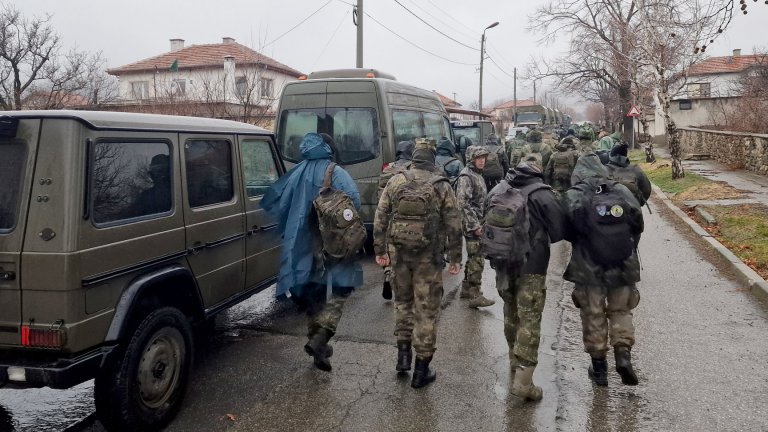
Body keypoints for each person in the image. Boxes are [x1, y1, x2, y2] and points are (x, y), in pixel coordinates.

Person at [262, 132, 363, 372]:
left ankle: (317, 345)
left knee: (313, 293)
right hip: (333, 243)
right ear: (329, 148)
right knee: (340, 289)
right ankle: (319, 341)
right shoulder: (335, 172)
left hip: (303, 243)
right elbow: (355, 202)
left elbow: (275, 202)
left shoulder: (295, 172)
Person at [373, 137, 462, 389]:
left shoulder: (395, 180)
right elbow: (454, 224)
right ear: (432, 158)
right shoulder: (441, 185)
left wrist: (380, 251)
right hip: (428, 259)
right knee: (426, 310)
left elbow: (380, 217)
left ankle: (403, 358)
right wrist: (456, 257)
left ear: (413, 157)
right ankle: (421, 370)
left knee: (402, 304)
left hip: (398, 254)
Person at [486, 161, 566, 401]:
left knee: (510, 310)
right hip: (532, 265)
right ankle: (524, 382)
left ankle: (514, 359)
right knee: (529, 318)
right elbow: (560, 230)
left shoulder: (497, 190)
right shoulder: (543, 194)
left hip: (502, 263)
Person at [563, 159, 644, 387]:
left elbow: (566, 229)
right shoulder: (622, 190)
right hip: (623, 263)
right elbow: (638, 223)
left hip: (589, 267)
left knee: (593, 314)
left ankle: (599, 369)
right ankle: (623, 355)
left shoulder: (575, 194)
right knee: (621, 310)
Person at [455, 145, 495, 308]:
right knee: (477, 259)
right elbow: (462, 204)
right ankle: (475, 294)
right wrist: (475, 225)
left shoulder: (476, 174)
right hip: (472, 224)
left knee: (473, 257)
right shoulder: (466, 176)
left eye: (483, 157)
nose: (482, 160)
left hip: (477, 222)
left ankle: (466, 288)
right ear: (471, 159)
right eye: (478, 158)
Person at [377, 140, 416, 300]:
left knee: (388, 249)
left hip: (386, 214)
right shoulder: (411, 170)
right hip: (403, 217)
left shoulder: (388, 168)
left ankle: (387, 272)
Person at [605, 142, 652, 207]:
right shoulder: (635, 169)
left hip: (606, 209)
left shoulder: (602, 170)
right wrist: (639, 202)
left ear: (611, 155)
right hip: (632, 207)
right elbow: (646, 189)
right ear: (625, 154)